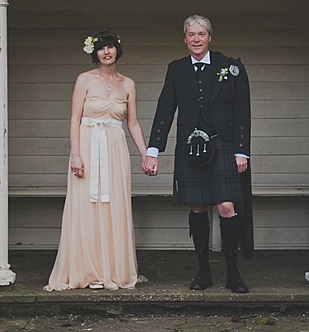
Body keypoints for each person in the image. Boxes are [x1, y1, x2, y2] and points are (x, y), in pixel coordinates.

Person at [142, 15, 253, 293]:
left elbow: (242, 112)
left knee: (227, 206)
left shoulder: (229, 66)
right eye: (191, 34)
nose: (196, 39)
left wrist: (242, 151)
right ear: (185, 38)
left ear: (209, 37)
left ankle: (232, 273)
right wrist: (153, 150)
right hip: (190, 148)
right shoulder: (176, 69)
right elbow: (165, 110)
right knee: (197, 207)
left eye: (201, 34)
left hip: (224, 145)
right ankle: (203, 272)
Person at [45, 31, 148, 291]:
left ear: (117, 51)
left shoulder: (128, 84)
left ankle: (112, 269)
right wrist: (76, 154)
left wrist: (147, 155)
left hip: (115, 149)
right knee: (86, 206)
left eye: (111, 47)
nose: (107, 52)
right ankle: (86, 269)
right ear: (95, 52)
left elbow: (132, 123)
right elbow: (74, 119)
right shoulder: (84, 80)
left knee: (114, 205)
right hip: (88, 147)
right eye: (101, 48)